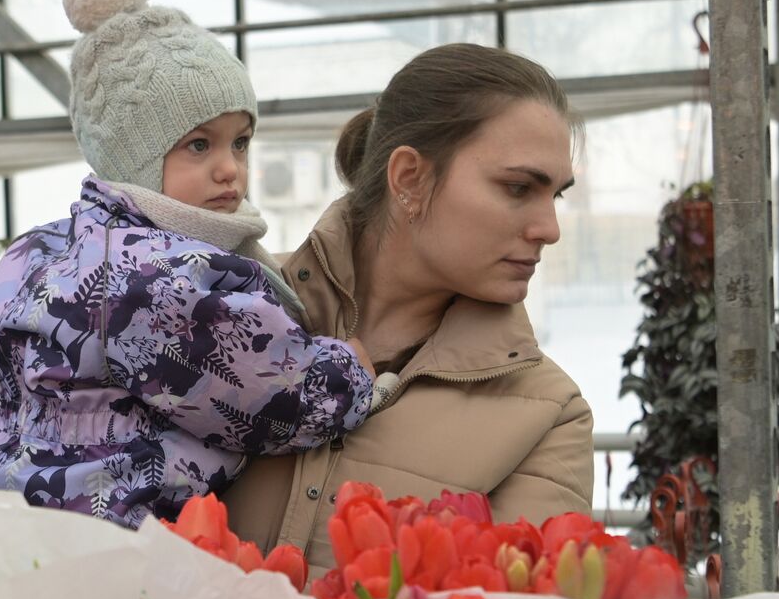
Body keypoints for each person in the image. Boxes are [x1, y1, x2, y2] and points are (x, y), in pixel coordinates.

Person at [0, 0, 375, 528]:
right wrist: (349, 369)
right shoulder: (158, 278)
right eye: (199, 146)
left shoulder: (35, 253)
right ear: (134, 157)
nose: (230, 169)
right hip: (119, 535)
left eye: (241, 142)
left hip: (14, 514)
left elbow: (6, 395)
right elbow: (276, 400)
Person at [222, 43, 595, 571]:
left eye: (554, 196)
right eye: (518, 188)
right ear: (409, 179)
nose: (549, 230)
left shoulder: (548, 415)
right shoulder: (226, 310)